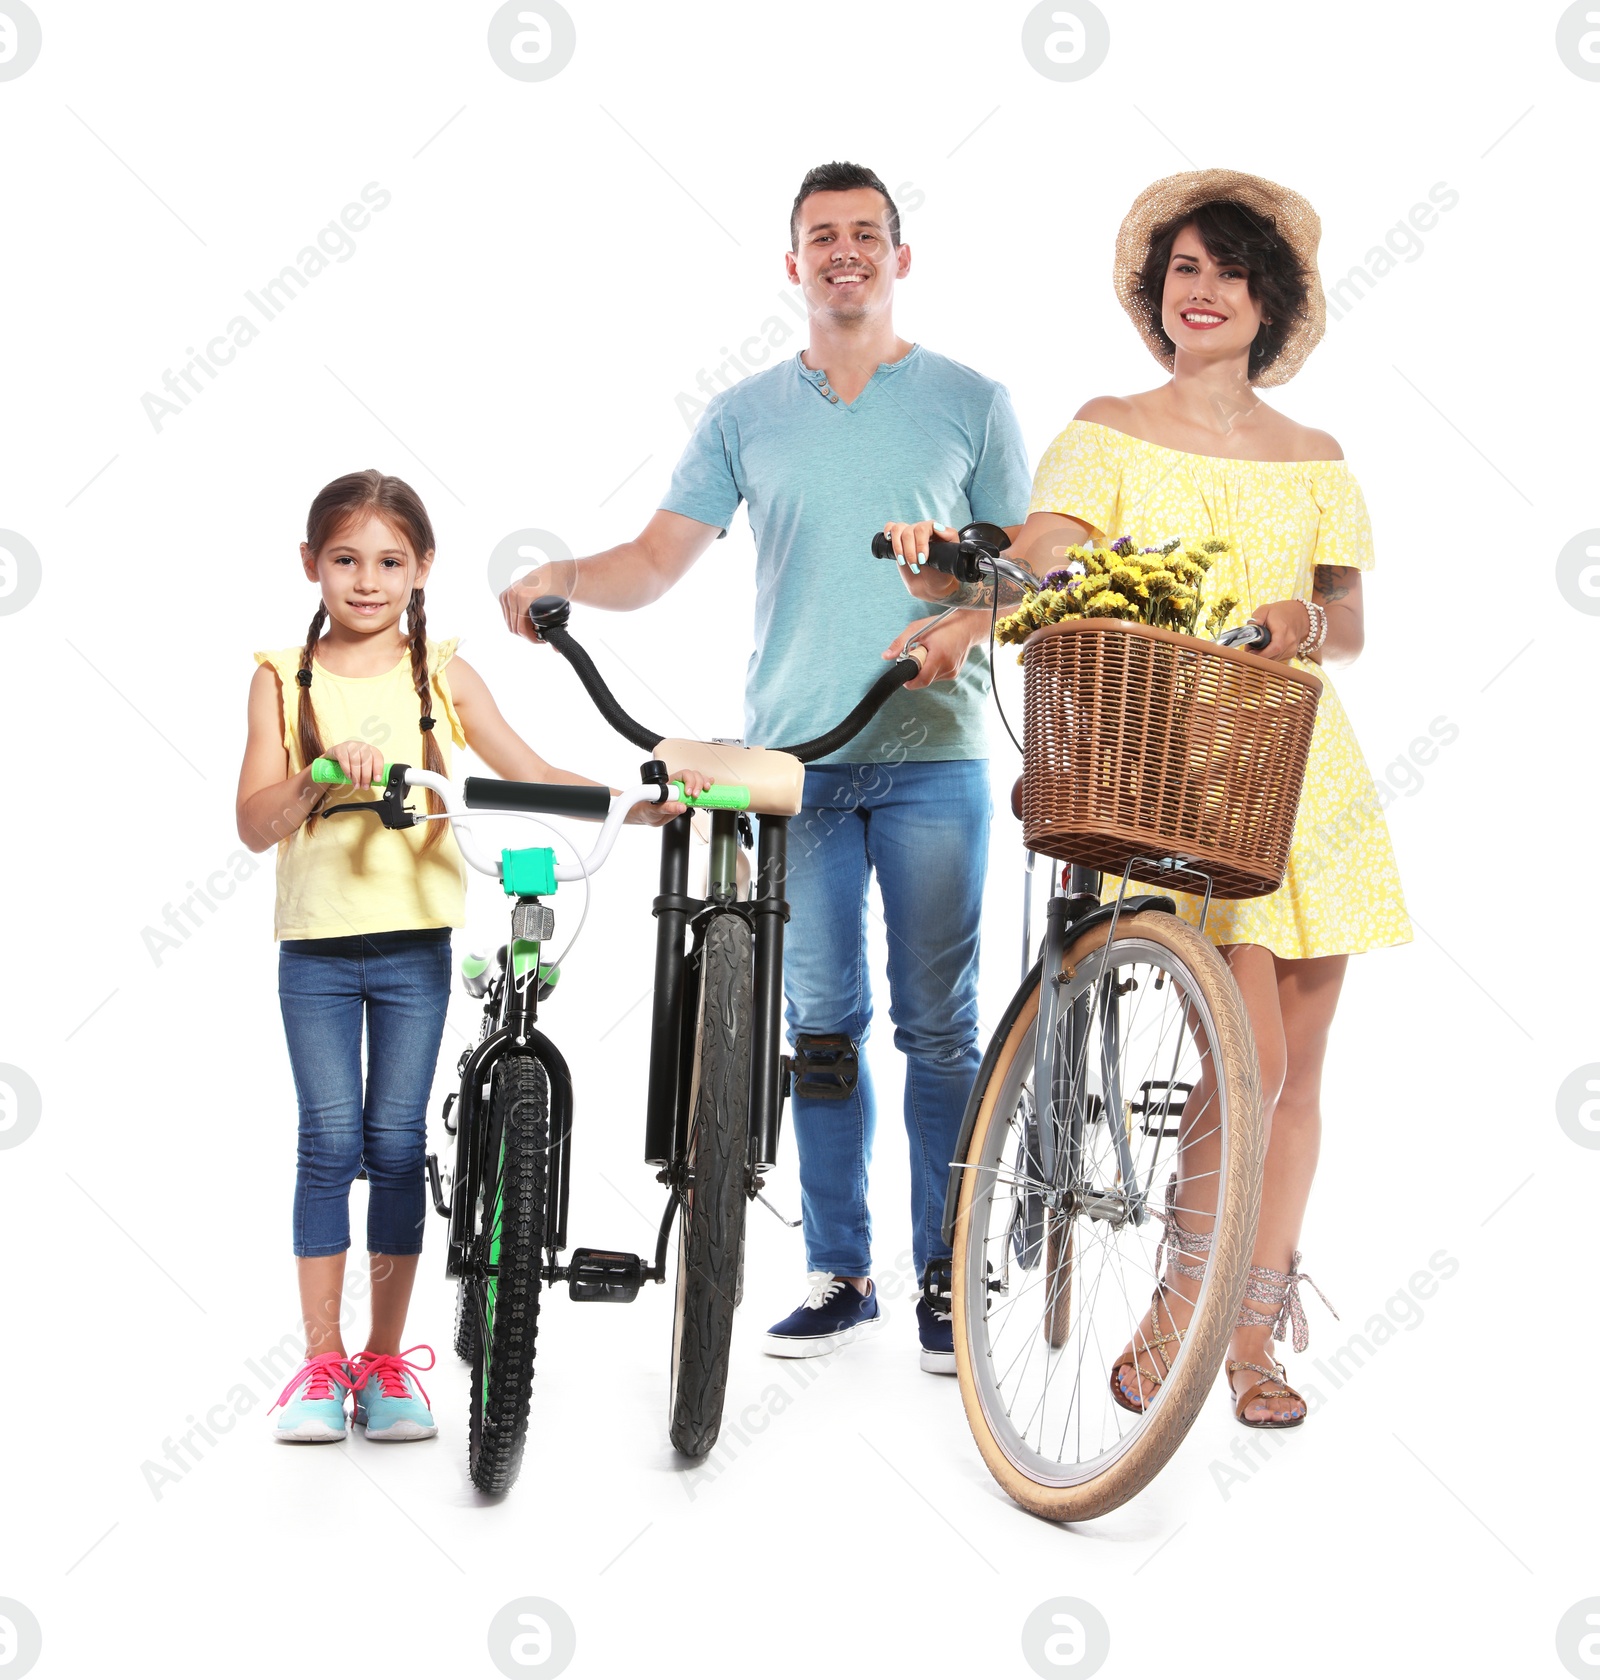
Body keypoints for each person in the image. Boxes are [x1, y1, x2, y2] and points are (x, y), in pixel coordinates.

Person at [883, 170, 1409, 1425]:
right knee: (1250, 1061)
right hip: (1168, 767)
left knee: (1300, 1075)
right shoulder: (1108, 425)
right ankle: (1182, 1306)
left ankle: (1252, 1334)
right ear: (1154, 295)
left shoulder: (1317, 457)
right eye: (1183, 269)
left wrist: (1299, 616)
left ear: (1267, 299)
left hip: (1301, 771)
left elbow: (1347, 621)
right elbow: (1045, 556)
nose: (1205, 289)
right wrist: (959, 601)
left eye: (1230, 269)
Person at [499, 161, 1031, 1374]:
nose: (844, 252)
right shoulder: (745, 413)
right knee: (821, 1027)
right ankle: (839, 1272)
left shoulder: (972, 401)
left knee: (938, 1032)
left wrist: (957, 610)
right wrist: (558, 580)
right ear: (792, 266)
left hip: (931, 752)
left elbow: (1018, 575)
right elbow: (650, 558)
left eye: (865, 234)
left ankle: (947, 1280)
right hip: (795, 764)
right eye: (820, 237)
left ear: (902, 256)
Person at [237, 469, 701, 1444]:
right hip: (315, 954)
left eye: (390, 562)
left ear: (423, 569)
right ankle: (323, 1365)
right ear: (310, 565)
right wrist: (321, 779)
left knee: (398, 1146)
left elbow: (526, 770)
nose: (367, 581)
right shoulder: (282, 676)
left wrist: (628, 800)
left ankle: (386, 1364)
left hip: (413, 949)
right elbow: (251, 822)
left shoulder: (438, 673)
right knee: (329, 1144)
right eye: (346, 560)